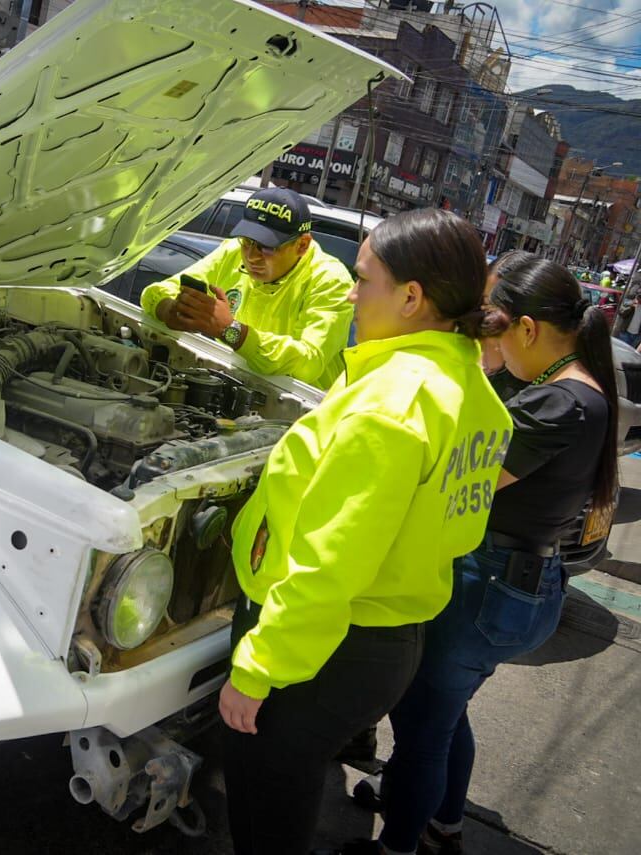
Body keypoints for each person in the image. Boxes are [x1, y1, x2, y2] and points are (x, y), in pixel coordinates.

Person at [216, 208, 512, 855]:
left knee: (269, 800)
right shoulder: (468, 386)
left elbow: (330, 566)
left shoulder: (392, 403)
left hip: (325, 644)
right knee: (294, 784)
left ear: (411, 297)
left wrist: (258, 669)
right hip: (389, 636)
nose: (351, 292)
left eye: (363, 278)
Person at [334, 257, 618, 855]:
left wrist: (477, 373)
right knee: (447, 716)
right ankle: (444, 823)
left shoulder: (559, 404)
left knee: (421, 732)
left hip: (490, 589)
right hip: (520, 585)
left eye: (494, 322)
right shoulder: (575, 394)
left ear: (528, 329)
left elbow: (465, 474)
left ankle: (399, 846)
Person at [140, 188, 355, 388]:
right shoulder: (232, 252)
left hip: (297, 410)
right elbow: (155, 292)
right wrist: (170, 310)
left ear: (302, 245)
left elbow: (308, 362)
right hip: (231, 385)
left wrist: (231, 331)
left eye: (267, 247)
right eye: (247, 241)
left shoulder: (331, 280)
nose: (251, 256)